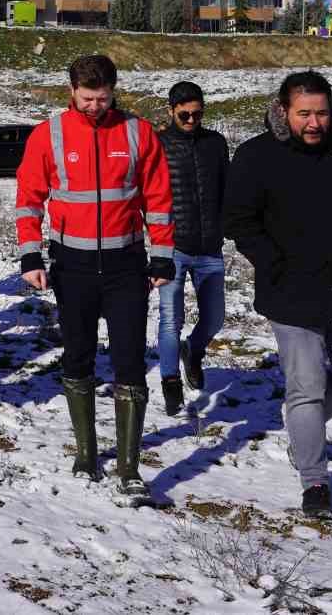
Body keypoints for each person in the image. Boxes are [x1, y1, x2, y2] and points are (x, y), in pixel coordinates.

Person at [223, 70, 332, 523]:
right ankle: (314, 479)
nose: (315, 122)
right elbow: (238, 220)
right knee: (307, 387)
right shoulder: (256, 156)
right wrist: (272, 262)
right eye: (305, 114)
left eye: (322, 112)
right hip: (291, 293)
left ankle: (302, 428)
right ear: (283, 111)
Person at [15, 54, 174, 503]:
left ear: (113, 91)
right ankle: (86, 453)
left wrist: (161, 258)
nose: (94, 107)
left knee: (129, 361)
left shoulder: (138, 132)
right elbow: (28, 198)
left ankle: (129, 468)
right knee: (78, 356)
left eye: (102, 99)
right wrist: (31, 254)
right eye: (87, 98)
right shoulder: (50, 133)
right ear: (72, 91)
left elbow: (159, 198)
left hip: (127, 265)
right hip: (72, 265)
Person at [154, 80, 231, 416]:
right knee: (171, 319)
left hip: (210, 248)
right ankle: (170, 381)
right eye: (184, 114)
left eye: (197, 114)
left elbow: (227, 189)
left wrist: (227, 226)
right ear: (172, 111)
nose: (190, 120)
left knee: (215, 318)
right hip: (173, 247)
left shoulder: (215, 143)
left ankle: (193, 351)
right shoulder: (158, 145)